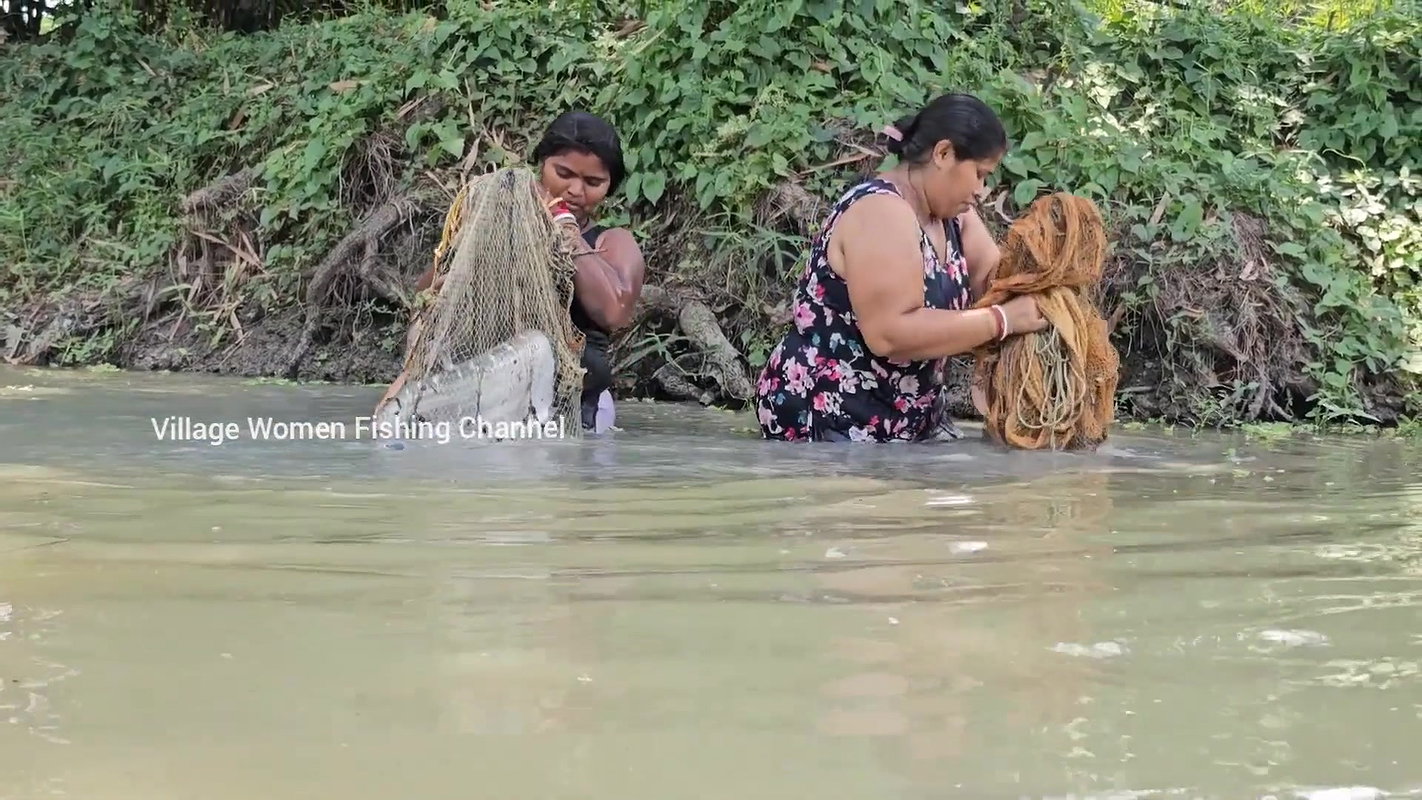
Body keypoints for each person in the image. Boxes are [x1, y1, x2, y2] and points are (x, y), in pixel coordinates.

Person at [754, 93, 1049, 443]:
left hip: (907, 421)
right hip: (830, 418)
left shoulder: (956, 219)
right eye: (979, 174)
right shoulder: (881, 211)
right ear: (943, 154)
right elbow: (889, 334)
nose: (982, 191)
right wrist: (1002, 320)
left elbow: (995, 283)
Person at [414, 111, 646, 432]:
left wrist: (566, 230)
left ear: (610, 186)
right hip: (491, 396)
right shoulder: (499, 225)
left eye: (593, 182)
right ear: (541, 164)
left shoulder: (612, 241)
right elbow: (424, 298)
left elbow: (614, 312)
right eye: (563, 173)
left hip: (577, 406)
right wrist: (468, 243)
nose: (576, 190)